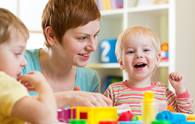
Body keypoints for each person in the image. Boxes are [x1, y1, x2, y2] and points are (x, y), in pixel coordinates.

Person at [22, 0, 112, 108]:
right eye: (82, 38)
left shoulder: (90, 79)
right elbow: (6, 105)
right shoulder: (20, 63)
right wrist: (67, 98)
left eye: (95, 35)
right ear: (51, 35)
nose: (93, 47)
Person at [104, 26, 194, 115]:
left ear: (157, 58)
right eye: (131, 51)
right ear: (121, 62)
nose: (139, 55)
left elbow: (187, 115)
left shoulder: (163, 92)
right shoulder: (113, 91)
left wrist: (180, 89)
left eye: (146, 50)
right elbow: (101, 117)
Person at [0, 8, 57, 124]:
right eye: (17, 53)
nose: (24, 62)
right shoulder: (3, 82)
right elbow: (46, 117)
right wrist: (42, 85)